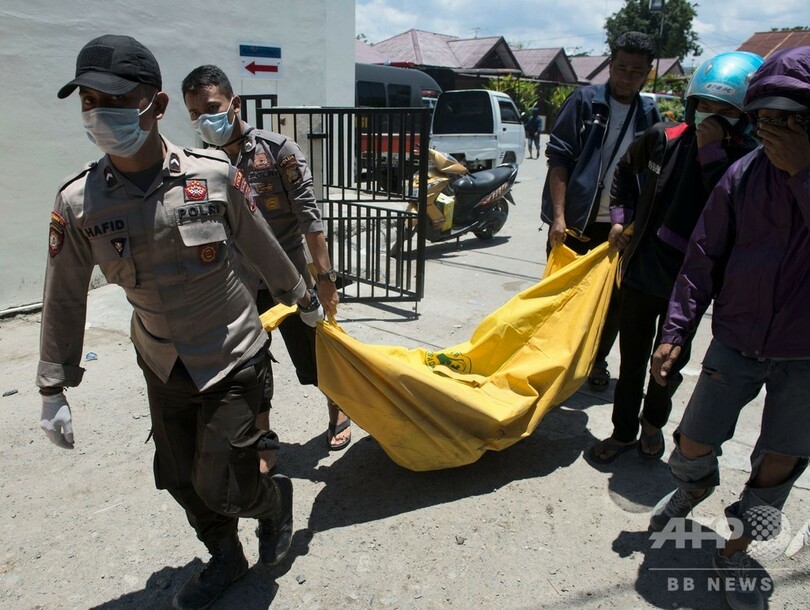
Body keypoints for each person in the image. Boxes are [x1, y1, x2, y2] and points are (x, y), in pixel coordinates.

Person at [37, 35, 321, 610]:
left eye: (117, 100)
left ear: (157, 105)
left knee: (226, 480)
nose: (100, 113)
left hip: (233, 352)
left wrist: (304, 297)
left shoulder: (212, 176)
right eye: (89, 100)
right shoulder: (79, 202)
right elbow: (63, 295)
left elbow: (264, 248)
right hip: (163, 361)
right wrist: (52, 385)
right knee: (178, 476)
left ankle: (272, 501)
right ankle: (225, 557)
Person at [648, 46, 810, 610]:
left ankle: (737, 547)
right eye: (764, 117)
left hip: (804, 356)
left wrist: (802, 176)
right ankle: (694, 486)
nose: (772, 130)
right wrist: (675, 332)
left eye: (788, 119)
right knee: (692, 440)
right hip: (736, 339)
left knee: (779, 463)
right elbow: (702, 260)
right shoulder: (742, 175)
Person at [588, 52, 764, 464]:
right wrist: (620, 218)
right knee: (631, 362)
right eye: (705, 106)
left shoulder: (747, 162)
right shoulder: (662, 138)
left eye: (725, 111)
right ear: (691, 103)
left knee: (666, 365)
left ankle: (653, 425)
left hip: (688, 287)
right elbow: (623, 175)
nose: (711, 117)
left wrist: (713, 153)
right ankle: (623, 432)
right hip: (640, 273)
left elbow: (732, 210)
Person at [181, 66, 351, 467]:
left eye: (210, 108)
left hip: (289, 277)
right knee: (250, 364)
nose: (204, 120)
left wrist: (324, 279)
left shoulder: (279, 151)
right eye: (193, 114)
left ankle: (338, 409)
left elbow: (310, 218)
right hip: (237, 283)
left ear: (233, 104)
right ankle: (263, 439)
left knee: (314, 351)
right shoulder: (199, 162)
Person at [541, 31, 661, 390]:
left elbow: (650, 176)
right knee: (560, 296)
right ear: (610, 65)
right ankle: (553, 359)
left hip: (617, 227)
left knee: (611, 302)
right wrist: (559, 218)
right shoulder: (584, 101)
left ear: (646, 73)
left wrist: (630, 223)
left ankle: (597, 361)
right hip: (574, 223)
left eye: (635, 71)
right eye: (620, 67)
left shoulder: (649, 114)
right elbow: (559, 159)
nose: (626, 76)